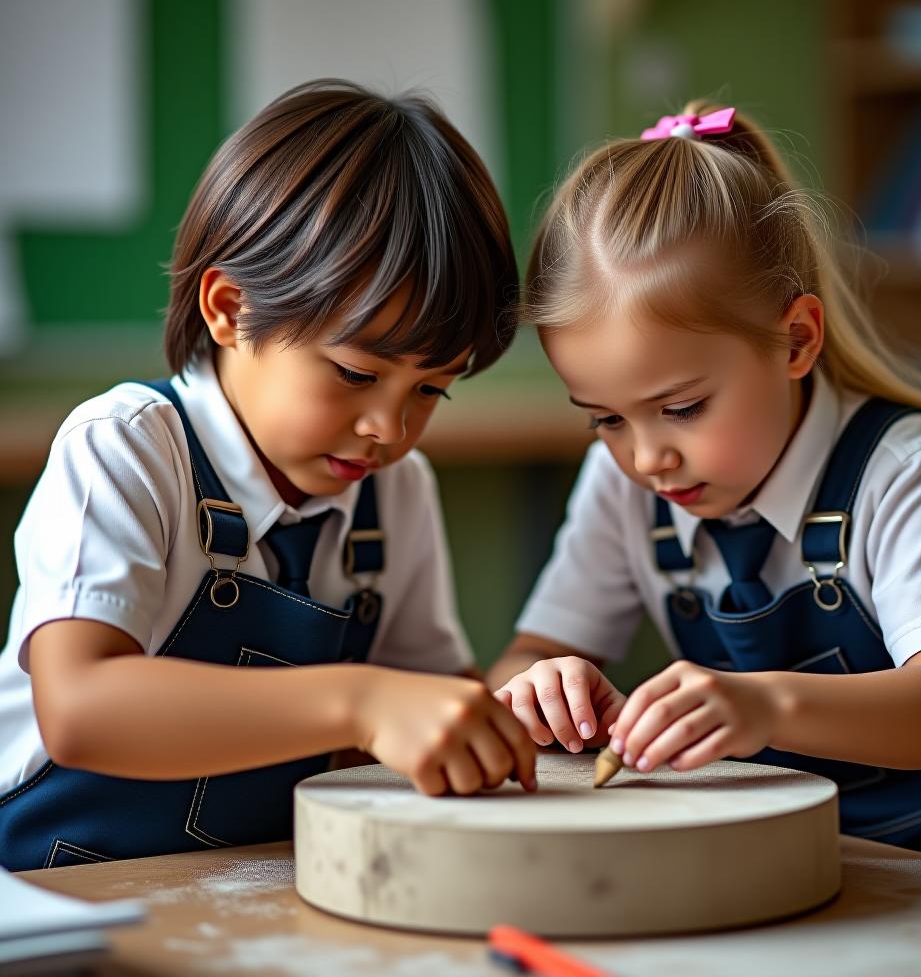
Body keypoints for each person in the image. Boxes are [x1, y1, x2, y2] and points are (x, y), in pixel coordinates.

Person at [0, 79, 535, 872]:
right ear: (229, 309)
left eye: (431, 390)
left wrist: (509, 711)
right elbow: (81, 707)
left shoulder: (397, 490)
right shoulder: (126, 448)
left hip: (242, 896)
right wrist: (362, 701)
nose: (389, 429)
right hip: (50, 894)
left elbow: (428, 707)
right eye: (355, 373)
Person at [490, 102, 921, 870]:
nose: (647, 458)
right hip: (785, 859)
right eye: (604, 418)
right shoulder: (623, 483)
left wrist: (764, 703)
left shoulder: (900, 469)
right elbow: (524, 655)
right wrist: (542, 684)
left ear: (795, 340)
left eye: (681, 409)